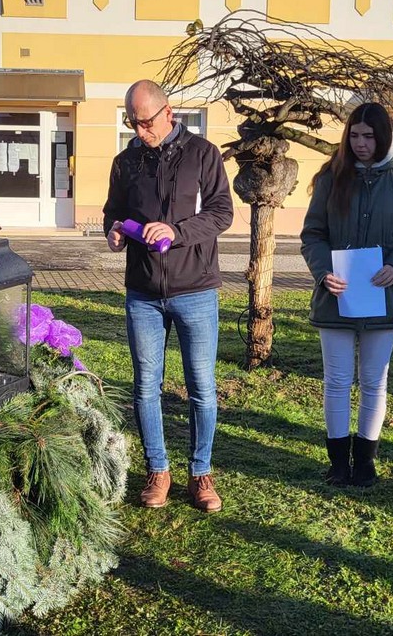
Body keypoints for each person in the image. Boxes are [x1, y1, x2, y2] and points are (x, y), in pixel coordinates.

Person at [103, 79, 234, 513]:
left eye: (145, 122)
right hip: (142, 293)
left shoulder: (203, 154)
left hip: (195, 289)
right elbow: (113, 212)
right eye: (132, 123)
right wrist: (114, 231)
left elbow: (221, 213)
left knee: (202, 388)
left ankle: (201, 473)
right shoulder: (125, 162)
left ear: (168, 113)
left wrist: (177, 233)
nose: (141, 131)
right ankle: (158, 470)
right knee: (145, 387)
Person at [299, 102, 393, 487]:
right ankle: (338, 462)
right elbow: (313, 235)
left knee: (374, 380)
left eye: (368, 136)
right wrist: (324, 272)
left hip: (383, 297)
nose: (360, 143)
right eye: (354, 135)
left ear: (384, 136)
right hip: (336, 296)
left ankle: (366, 461)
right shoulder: (330, 178)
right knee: (337, 380)